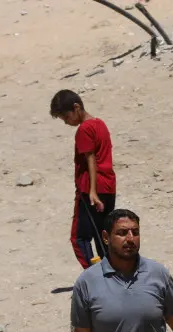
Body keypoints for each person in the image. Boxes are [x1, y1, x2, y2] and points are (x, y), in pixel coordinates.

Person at [49, 90, 117, 269]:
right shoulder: (100, 124)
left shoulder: (84, 130)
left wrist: (92, 191)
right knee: (104, 235)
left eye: (66, 117)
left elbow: (90, 159)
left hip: (90, 189)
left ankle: (97, 276)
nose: (66, 122)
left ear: (76, 108)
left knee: (79, 238)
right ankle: (113, 272)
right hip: (108, 186)